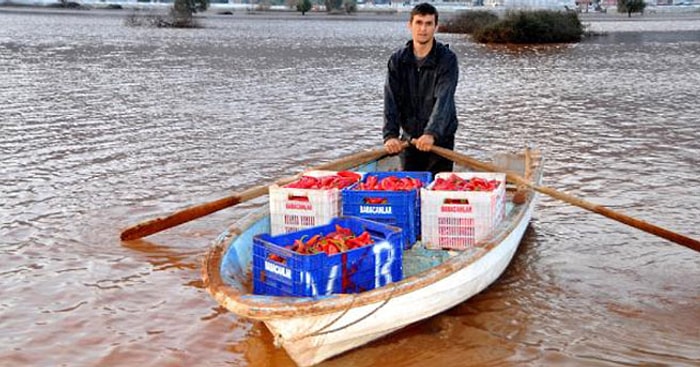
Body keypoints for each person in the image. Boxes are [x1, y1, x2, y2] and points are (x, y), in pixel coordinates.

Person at [383, 2, 459, 177]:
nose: (423, 29)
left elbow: (444, 99)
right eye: (419, 22)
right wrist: (390, 135)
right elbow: (390, 100)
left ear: (436, 27)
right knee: (410, 186)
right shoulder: (397, 60)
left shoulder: (447, 59)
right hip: (409, 139)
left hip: (440, 139)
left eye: (428, 23)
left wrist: (431, 133)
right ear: (410, 25)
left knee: (436, 189)